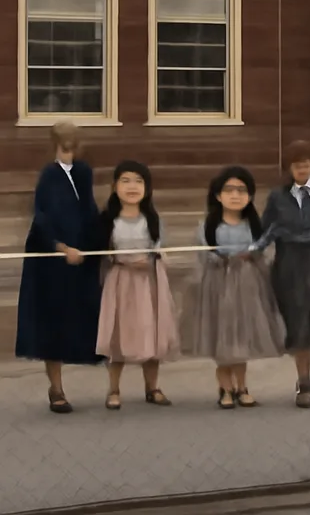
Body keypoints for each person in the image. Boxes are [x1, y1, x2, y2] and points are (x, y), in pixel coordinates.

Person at [15, 122, 103, 414]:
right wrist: (60, 247)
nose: (70, 145)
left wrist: (99, 243)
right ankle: (56, 388)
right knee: (51, 321)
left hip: (81, 260)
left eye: (74, 140)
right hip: (52, 264)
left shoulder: (83, 172)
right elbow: (41, 217)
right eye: (65, 140)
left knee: (83, 316)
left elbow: (89, 210)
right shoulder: (48, 177)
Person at [183, 166, 285, 409]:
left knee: (241, 336)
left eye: (242, 190)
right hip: (217, 284)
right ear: (218, 195)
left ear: (249, 196)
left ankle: (242, 386)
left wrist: (252, 255)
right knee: (222, 335)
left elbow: (262, 251)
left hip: (247, 284)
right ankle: (225, 388)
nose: (235, 195)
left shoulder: (253, 224)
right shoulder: (207, 225)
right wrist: (216, 258)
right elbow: (203, 254)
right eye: (229, 190)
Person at [254, 140, 310, 409]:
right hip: (290, 266)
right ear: (288, 168)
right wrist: (250, 250)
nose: (303, 168)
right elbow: (265, 230)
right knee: (299, 327)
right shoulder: (278, 196)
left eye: (306, 163)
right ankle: (302, 383)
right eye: (297, 164)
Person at [95, 160, 179, 410]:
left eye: (139, 181)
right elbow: (100, 252)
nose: (132, 187)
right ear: (115, 187)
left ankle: (152, 387)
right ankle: (114, 389)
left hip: (149, 284)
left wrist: (155, 258)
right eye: (126, 181)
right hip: (120, 282)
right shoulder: (108, 220)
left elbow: (161, 248)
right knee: (118, 334)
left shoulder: (152, 218)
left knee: (150, 333)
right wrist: (121, 261)